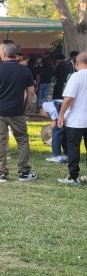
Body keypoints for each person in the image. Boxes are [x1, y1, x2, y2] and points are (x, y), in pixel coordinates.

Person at [0, 42, 37, 183]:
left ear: (4, 53)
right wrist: (25, 109)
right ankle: (24, 172)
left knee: (0, 140)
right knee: (22, 140)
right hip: (17, 111)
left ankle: (2, 173)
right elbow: (31, 93)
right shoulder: (25, 70)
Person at [56, 50, 87, 187]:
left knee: (73, 147)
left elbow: (68, 99)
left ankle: (73, 176)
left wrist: (61, 115)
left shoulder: (76, 76)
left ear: (77, 63)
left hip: (76, 119)